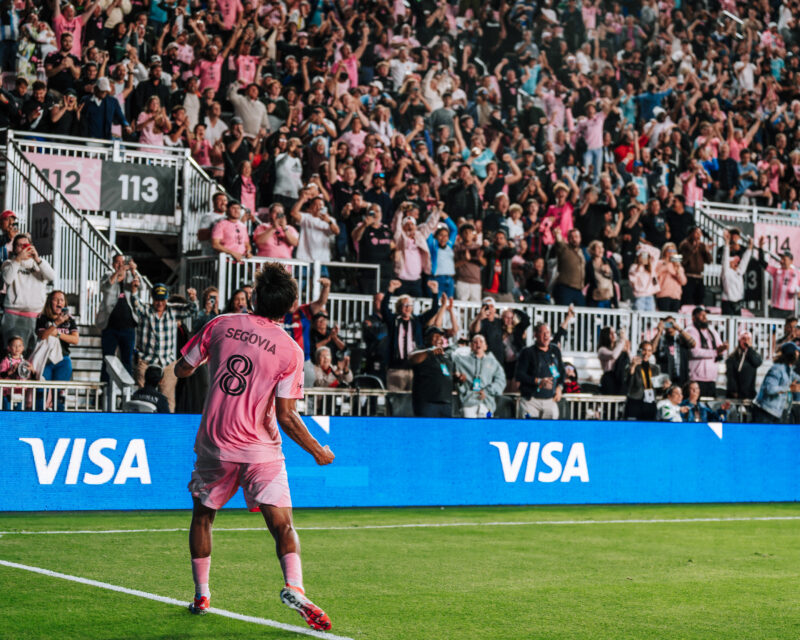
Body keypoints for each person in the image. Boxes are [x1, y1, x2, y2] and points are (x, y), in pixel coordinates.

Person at [174, 263, 334, 630]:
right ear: (290, 307)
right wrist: (317, 451)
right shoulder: (291, 351)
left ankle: (202, 593)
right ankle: (294, 585)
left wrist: (195, 365)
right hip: (260, 450)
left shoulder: (221, 324)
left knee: (203, 515)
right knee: (282, 524)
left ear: (256, 297)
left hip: (215, 444)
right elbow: (287, 415)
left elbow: (183, 368)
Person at [130, 281, 199, 413]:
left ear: (166, 299)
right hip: (146, 361)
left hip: (167, 362)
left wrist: (193, 299)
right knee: (143, 397)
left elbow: (192, 310)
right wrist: (134, 290)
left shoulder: (173, 310)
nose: (160, 303)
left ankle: (167, 428)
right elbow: (135, 304)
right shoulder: (145, 311)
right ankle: (141, 426)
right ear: (152, 298)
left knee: (168, 398)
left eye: (162, 300)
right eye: (157, 300)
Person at [1, 233, 56, 353]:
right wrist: (18, 259)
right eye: (19, 246)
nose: (23, 248)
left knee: (32, 356)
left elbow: (52, 276)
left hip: (35, 316)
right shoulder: (9, 264)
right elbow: (8, 278)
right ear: (14, 248)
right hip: (13, 315)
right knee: (10, 355)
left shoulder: (40, 264)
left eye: (25, 245)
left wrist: (37, 258)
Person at [381, 278, 439, 391]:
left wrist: (435, 292)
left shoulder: (417, 321)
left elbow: (434, 310)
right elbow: (384, 309)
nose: (407, 307)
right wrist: (390, 290)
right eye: (404, 304)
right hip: (396, 369)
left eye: (410, 305)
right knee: (395, 402)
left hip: (414, 369)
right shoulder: (394, 321)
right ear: (399, 307)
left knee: (412, 403)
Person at [96, 254, 138, 383]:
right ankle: (105, 388)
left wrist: (133, 271)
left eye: (122, 262)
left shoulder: (130, 277)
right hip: (110, 327)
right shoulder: (108, 275)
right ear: (113, 264)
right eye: (117, 262)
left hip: (128, 327)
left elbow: (138, 288)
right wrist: (117, 274)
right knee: (107, 358)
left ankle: (126, 390)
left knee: (127, 359)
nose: (120, 265)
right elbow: (105, 287)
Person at [514, 322, 566, 420]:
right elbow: (519, 375)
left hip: (550, 400)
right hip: (531, 401)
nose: (546, 335)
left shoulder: (555, 350)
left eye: (548, 332)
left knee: (550, 431)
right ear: (536, 335)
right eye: (543, 333)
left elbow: (562, 372)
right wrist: (538, 381)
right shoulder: (527, 352)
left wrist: (559, 387)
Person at [453, 334, 506, 418]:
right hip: (468, 402)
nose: (478, 344)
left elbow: (501, 381)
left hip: (486, 402)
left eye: (481, 341)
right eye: (475, 342)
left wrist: (487, 391)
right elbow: (450, 354)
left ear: (485, 346)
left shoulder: (493, 362)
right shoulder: (462, 360)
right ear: (470, 346)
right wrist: (456, 345)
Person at [409, 326, 455, 417]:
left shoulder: (445, 357)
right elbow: (412, 358)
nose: (439, 338)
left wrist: (457, 378)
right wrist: (430, 351)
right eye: (435, 336)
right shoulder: (422, 352)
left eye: (441, 336)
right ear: (426, 339)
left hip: (446, 403)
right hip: (428, 403)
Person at [34, 290, 79, 381]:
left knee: (60, 392)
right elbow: (42, 336)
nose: (59, 302)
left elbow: (75, 340)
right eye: (56, 300)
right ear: (50, 302)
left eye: (62, 300)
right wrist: (56, 323)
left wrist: (58, 334)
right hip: (45, 358)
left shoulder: (69, 319)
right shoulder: (42, 317)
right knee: (40, 390)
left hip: (63, 358)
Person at [283, 278, 331, 361]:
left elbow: (321, 302)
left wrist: (326, 287)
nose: (293, 302)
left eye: (295, 299)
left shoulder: (303, 311)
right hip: (282, 358)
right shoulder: (276, 313)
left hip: (303, 359)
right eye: (290, 298)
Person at [752, 342, 800, 424]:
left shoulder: (788, 370)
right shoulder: (777, 369)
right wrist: (789, 388)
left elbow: (797, 378)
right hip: (764, 412)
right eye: (796, 352)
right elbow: (769, 389)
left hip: (775, 413)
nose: (798, 355)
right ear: (791, 354)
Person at [685, 307, 727, 399]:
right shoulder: (691, 330)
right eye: (701, 315)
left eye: (705, 315)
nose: (705, 317)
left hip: (711, 378)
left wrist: (723, 349)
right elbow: (694, 352)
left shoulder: (711, 331)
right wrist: (716, 352)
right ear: (694, 318)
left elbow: (720, 348)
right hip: (696, 379)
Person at [624, 340, 661, 421]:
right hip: (635, 402)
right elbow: (628, 385)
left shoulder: (655, 369)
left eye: (649, 350)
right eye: (644, 350)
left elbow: (658, 388)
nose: (646, 353)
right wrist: (633, 367)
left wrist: (665, 384)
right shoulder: (631, 366)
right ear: (639, 350)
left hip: (650, 403)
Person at [720, 231, 753, 316]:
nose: (736, 263)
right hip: (727, 301)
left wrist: (750, 248)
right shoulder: (726, 272)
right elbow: (725, 260)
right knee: (727, 323)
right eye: (734, 262)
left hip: (738, 302)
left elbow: (745, 261)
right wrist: (726, 244)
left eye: (737, 262)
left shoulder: (739, 271)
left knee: (737, 323)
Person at [678, 227, 712, 306]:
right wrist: (692, 250)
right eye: (696, 232)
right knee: (687, 300)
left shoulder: (702, 245)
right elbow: (681, 261)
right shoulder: (684, 244)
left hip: (699, 277)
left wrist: (707, 251)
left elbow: (709, 261)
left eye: (700, 233)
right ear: (691, 234)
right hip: (688, 276)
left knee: (700, 299)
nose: (699, 235)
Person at [552, 228, 586, 306]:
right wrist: (558, 234)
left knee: (582, 313)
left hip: (578, 289)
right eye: (572, 237)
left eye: (576, 237)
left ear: (580, 238)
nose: (574, 239)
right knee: (562, 312)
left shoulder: (582, 252)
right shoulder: (564, 249)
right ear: (568, 239)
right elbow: (559, 243)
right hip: (565, 288)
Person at [765, 247, 800, 319]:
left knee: (788, 329)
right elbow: (762, 263)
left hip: (789, 309)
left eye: (784, 259)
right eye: (781, 259)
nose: (782, 261)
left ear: (791, 261)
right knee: (773, 328)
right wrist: (760, 248)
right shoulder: (776, 271)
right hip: (776, 308)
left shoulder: (797, 274)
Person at [597, 326, 630, 395]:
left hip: (619, 376)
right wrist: (622, 340)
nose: (613, 335)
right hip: (609, 378)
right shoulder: (602, 350)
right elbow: (614, 355)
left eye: (614, 333)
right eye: (610, 333)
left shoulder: (617, 347)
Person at [655, 243, 686, 312]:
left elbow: (683, 282)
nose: (671, 253)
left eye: (673, 251)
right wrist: (665, 266)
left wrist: (677, 269)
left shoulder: (678, 265)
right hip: (663, 295)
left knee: (673, 319)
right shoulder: (659, 263)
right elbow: (654, 276)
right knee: (665, 318)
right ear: (664, 252)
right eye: (669, 251)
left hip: (676, 296)